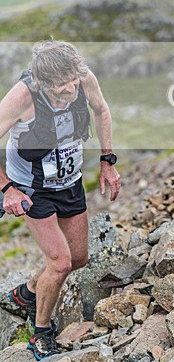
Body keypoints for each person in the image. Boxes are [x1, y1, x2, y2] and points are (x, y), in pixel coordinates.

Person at [0, 41, 120, 359]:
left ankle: (26, 293)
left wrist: (108, 161)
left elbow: (102, 109)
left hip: (69, 182)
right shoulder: (23, 97)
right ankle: (41, 334)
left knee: (78, 259)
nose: (70, 88)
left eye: (73, 80)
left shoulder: (82, 79)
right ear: (42, 81)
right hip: (31, 189)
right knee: (60, 263)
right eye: (61, 84)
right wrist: (7, 190)